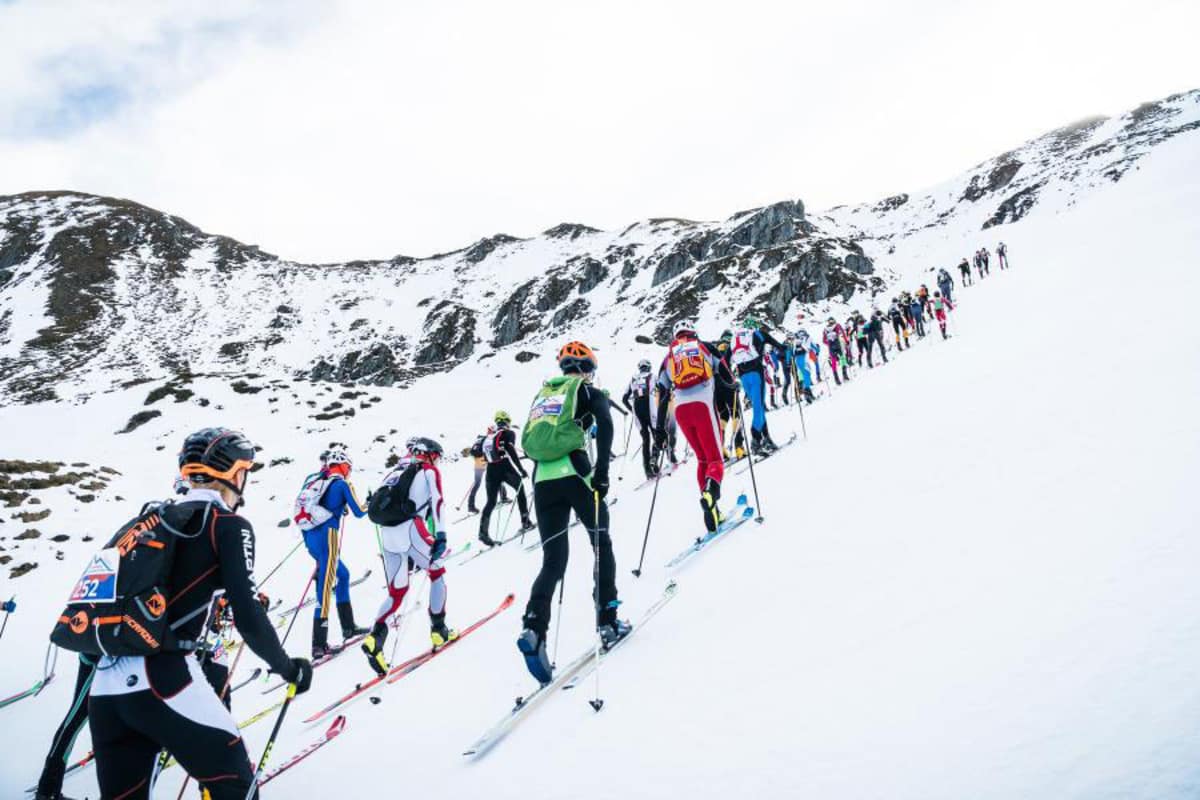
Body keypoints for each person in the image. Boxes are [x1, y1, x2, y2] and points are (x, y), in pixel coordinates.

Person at [88, 427, 312, 800]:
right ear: (234, 472)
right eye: (246, 471)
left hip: (106, 687)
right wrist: (290, 669)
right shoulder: (227, 525)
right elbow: (247, 615)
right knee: (238, 788)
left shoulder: (151, 518)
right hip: (165, 679)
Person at [517, 341, 627, 683]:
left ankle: (533, 627)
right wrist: (604, 473)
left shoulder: (544, 396)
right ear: (588, 368)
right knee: (600, 543)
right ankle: (607, 618)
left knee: (553, 561)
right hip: (576, 472)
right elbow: (606, 426)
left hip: (543, 480)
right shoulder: (588, 389)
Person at [362, 437, 456, 676]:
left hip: (388, 533)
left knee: (397, 592)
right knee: (437, 573)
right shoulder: (428, 471)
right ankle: (439, 629)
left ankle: (375, 639)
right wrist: (442, 535)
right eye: (437, 457)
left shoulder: (395, 470)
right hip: (412, 528)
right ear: (430, 454)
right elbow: (438, 503)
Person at [654, 320, 738, 532]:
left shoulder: (668, 357)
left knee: (702, 459)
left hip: (681, 410)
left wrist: (660, 430)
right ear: (694, 332)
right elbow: (726, 375)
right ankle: (712, 492)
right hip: (703, 405)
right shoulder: (705, 347)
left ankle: (712, 510)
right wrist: (734, 386)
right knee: (716, 459)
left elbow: (662, 394)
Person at [300, 450, 369, 659]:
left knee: (343, 575)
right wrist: (370, 502)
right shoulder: (341, 484)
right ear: (341, 465)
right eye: (349, 467)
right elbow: (359, 511)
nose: (349, 471)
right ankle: (319, 644)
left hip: (310, 536)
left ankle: (348, 627)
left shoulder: (316, 481)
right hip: (328, 535)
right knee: (325, 586)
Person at [728, 317, 786, 453]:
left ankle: (767, 438)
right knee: (758, 409)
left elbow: (726, 360)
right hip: (756, 374)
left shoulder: (735, 338)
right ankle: (756, 438)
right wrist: (784, 351)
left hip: (743, 377)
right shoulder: (758, 334)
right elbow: (778, 345)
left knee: (757, 406)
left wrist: (730, 380)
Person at [478, 411, 534, 546]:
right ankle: (525, 520)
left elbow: (480, 454)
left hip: (491, 469)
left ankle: (483, 533)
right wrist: (521, 469)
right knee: (520, 489)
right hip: (505, 467)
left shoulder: (490, 435)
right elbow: (511, 450)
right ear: (507, 421)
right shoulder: (509, 433)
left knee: (491, 502)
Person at [621, 360, 658, 480]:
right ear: (648, 367)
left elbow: (624, 398)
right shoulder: (652, 376)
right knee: (657, 435)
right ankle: (654, 460)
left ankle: (647, 470)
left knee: (646, 440)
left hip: (637, 407)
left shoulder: (633, 378)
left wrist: (633, 411)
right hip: (650, 405)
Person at [712, 331, 745, 459]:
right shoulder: (731, 346)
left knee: (723, 415)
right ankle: (739, 447)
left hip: (716, 387)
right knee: (736, 413)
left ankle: (721, 447)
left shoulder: (712, 349)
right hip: (728, 384)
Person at [466, 427, 506, 513]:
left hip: (478, 463)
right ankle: (503, 497)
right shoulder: (487, 440)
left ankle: (470, 505)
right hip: (486, 462)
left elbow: (473, 453)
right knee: (497, 477)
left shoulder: (479, 440)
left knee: (477, 483)